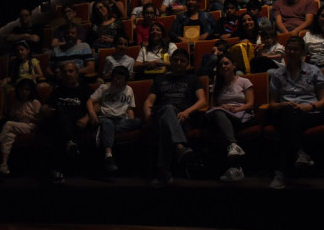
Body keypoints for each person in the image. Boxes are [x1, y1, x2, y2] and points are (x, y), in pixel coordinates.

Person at [268, 36, 324, 190]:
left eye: (296, 49)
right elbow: (273, 104)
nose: (292, 52)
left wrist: (309, 107)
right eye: (289, 49)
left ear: (303, 51)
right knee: (288, 115)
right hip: (285, 111)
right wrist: (283, 104)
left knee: (288, 125)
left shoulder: (314, 71)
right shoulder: (277, 74)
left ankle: (280, 173)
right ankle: (300, 153)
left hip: (309, 113)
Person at [144, 48, 207, 188]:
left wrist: (187, 112)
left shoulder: (193, 79)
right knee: (167, 109)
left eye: (182, 61)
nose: (178, 63)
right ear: (170, 62)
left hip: (183, 119)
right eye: (175, 60)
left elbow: (202, 101)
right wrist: (148, 117)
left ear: (187, 64)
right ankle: (179, 146)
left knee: (166, 125)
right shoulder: (160, 79)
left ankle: (163, 173)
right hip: (161, 114)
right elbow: (149, 101)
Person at [43, 61, 95, 182]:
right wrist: (44, 110)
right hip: (61, 123)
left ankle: (58, 169)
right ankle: (70, 142)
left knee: (59, 127)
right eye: (65, 72)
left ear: (77, 73)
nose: (68, 74)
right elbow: (46, 106)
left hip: (79, 122)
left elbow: (97, 105)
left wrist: (86, 118)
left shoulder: (85, 89)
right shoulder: (58, 90)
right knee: (59, 113)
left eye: (71, 71)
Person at [205, 55, 254, 182]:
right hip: (222, 115)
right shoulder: (217, 85)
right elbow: (212, 106)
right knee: (218, 114)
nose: (223, 66)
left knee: (218, 117)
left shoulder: (244, 81)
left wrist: (235, 109)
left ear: (234, 65)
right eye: (221, 65)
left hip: (241, 114)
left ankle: (234, 160)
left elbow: (250, 104)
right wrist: (223, 107)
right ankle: (234, 154)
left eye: (226, 63)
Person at [0, 78, 41, 175]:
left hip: (31, 126)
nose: (24, 92)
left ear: (31, 90)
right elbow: (12, 117)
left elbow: (39, 121)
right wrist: (16, 117)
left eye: (27, 90)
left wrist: (27, 116)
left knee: (8, 124)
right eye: (21, 90)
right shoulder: (16, 102)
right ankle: (4, 164)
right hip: (18, 125)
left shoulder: (35, 102)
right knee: (9, 136)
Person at [87, 66, 142, 173]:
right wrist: (92, 113)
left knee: (139, 121)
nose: (117, 81)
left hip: (121, 120)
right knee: (108, 123)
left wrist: (131, 121)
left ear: (126, 79)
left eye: (121, 78)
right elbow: (89, 101)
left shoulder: (129, 90)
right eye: (115, 78)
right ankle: (108, 156)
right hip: (105, 118)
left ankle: (106, 131)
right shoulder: (104, 87)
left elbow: (129, 109)